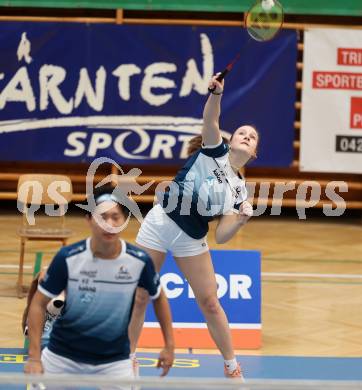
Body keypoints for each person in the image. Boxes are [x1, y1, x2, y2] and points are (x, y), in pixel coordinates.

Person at [129, 74, 258, 378]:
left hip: (191, 237)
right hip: (159, 224)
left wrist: (239, 220)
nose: (246, 136)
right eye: (242, 132)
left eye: (252, 137)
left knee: (211, 303)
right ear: (231, 139)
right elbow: (211, 121)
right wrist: (216, 95)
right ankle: (128, 359)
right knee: (139, 294)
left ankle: (231, 367)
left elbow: (222, 236)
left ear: (253, 153)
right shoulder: (216, 150)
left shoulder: (240, 189)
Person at [24, 185, 175, 389]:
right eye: (102, 217)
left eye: (115, 217)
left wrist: (169, 346)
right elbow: (38, 303)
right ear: (89, 220)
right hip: (63, 356)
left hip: (114, 360)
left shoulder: (138, 261)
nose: (109, 224)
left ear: (124, 221)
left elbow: (158, 297)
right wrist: (34, 356)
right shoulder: (68, 258)